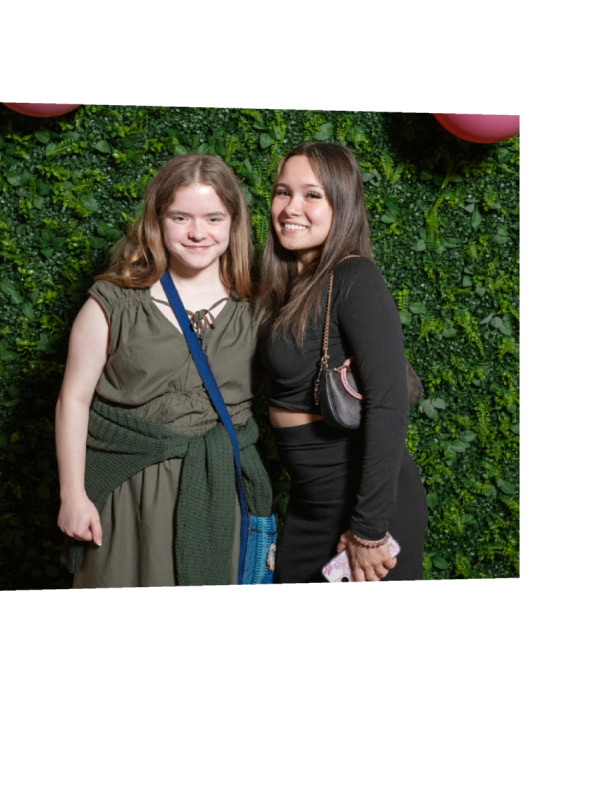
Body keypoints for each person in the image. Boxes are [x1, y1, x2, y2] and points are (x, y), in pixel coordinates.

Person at [55, 154, 272, 587]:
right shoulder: (113, 302)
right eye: (180, 217)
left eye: (214, 218)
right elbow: (73, 400)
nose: (198, 233)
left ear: (234, 222)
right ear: (157, 219)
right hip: (128, 496)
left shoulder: (259, 307)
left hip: (222, 494)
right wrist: (73, 495)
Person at [256, 142, 428, 582]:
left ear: (342, 204)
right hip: (309, 501)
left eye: (312, 195)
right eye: (283, 192)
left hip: (360, 510)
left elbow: (389, 402)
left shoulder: (354, 277)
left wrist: (369, 531)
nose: (291, 207)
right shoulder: (287, 285)